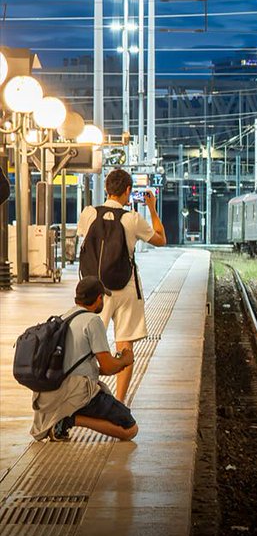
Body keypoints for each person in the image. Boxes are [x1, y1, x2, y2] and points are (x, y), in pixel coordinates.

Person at [76, 168, 166, 404]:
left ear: (106, 189)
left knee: (87, 347)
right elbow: (160, 239)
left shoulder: (88, 214)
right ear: (128, 191)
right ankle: (120, 402)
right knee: (125, 345)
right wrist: (152, 208)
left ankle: (87, 398)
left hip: (95, 292)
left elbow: (84, 241)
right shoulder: (131, 219)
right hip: (125, 288)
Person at [30, 277, 138, 442]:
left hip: (52, 391)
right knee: (130, 429)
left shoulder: (64, 317)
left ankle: (65, 416)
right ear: (98, 299)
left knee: (107, 401)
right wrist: (125, 359)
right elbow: (108, 368)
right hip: (77, 391)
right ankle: (69, 419)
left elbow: (82, 366)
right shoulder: (93, 321)